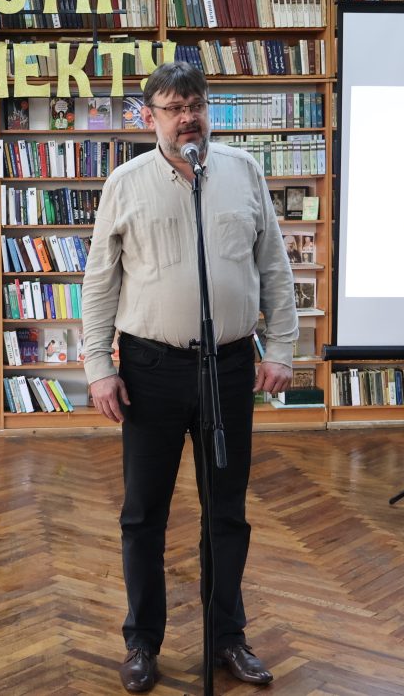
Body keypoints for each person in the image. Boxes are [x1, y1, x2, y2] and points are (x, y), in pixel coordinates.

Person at [81, 61, 296, 693]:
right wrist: (98, 367)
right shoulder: (125, 183)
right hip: (150, 368)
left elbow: (275, 268)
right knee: (143, 514)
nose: (187, 118)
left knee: (226, 512)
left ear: (208, 109)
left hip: (228, 367)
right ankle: (142, 643)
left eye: (195, 105)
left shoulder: (243, 172)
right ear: (150, 117)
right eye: (173, 108)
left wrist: (281, 348)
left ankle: (227, 638)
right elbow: (100, 282)